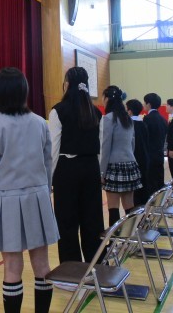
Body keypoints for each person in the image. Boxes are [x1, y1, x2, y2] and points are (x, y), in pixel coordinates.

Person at [0, 67, 59, 313]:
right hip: (38, 199)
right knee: (42, 265)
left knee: (12, 268)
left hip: (8, 203)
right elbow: (48, 166)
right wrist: (44, 195)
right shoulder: (40, 123)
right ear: (24, 92)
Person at [49, 67, 104, 264]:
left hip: (67, 170)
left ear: (67, 84)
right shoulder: (95, 111)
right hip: (91, 168)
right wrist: (98, 172)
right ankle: (96, 265)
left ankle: (71, 268)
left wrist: (50, 178)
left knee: (66, 223)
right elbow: (100, 146)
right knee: (93, 220)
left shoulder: (58, 110)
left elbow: (53, 149)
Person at [100, 85, 142, 227]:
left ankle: (114, 238)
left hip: (114, 166)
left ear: (107, 99)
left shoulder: (108, 118)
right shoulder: (128, 118)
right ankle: (131, 236)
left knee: (113, 207)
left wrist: (101, 172)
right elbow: (132, 143)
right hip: (130, 164)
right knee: (129, 206)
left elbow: (105, 146)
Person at [143, 93, 168, 197]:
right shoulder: (163, 119)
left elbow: (145, 138)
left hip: (150, 156)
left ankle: (151, 205)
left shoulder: (147, 119)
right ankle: (160, 203)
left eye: (144, 103)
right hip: (159, 154)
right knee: (159, 181)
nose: (143, 105)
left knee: (151, 183)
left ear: (149, 104)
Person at [126, 99, 150, 206]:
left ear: (130, 111)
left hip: (134, 158)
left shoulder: (129, 125)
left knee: (134, 189)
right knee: (144, 184)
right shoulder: (143, 124)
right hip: (145, 158)